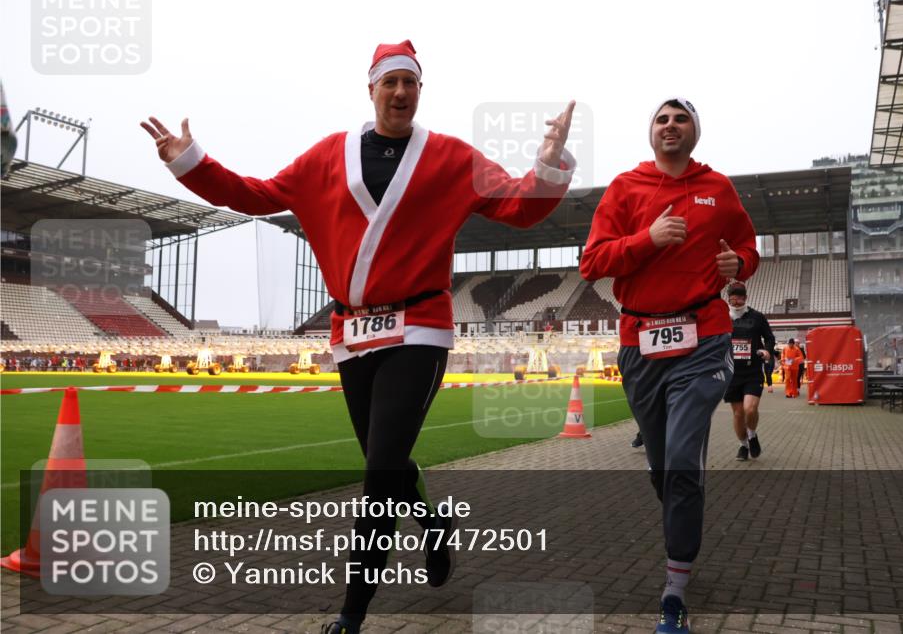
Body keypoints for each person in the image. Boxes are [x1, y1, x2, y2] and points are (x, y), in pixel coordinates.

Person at [142, 40, 577, 634]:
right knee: (387, 464)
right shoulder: (326, 157)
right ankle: (437, 525)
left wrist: (549, 162)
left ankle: (352, 613)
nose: (401, 93)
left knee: (378, 477)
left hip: (419, 327)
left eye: (411, 83)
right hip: (352, 331)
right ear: (370, 88)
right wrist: (189, 159)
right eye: (390, 82)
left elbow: (521, 207)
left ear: (421, 91)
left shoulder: (450, 157)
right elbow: (254, 194)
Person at [579, 97, 758, 634]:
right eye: (662, 118)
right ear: (650, 133)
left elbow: (748, 247)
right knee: (663, 466)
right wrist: (646, 240)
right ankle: (684, 503)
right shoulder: (625, 188)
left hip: (704, 336)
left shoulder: (718, 188)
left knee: (681, 457)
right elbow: (592, 263)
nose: (671, 125)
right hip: (639, 342)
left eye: (681, 118)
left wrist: (739, 263)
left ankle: (675, 589)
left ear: (695, 131)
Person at [722, 282, 775, 461]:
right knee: (738, 413)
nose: (736, 302)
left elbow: (769, 337)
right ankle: (743, 445)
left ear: (746, 298)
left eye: (740, 299)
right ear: (728, 299)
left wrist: (767, 350)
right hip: (731, 372)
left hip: (752, 370)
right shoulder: (722, 317)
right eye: (733, 299)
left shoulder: (757, 317)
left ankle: (752, 435)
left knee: (750, 409)